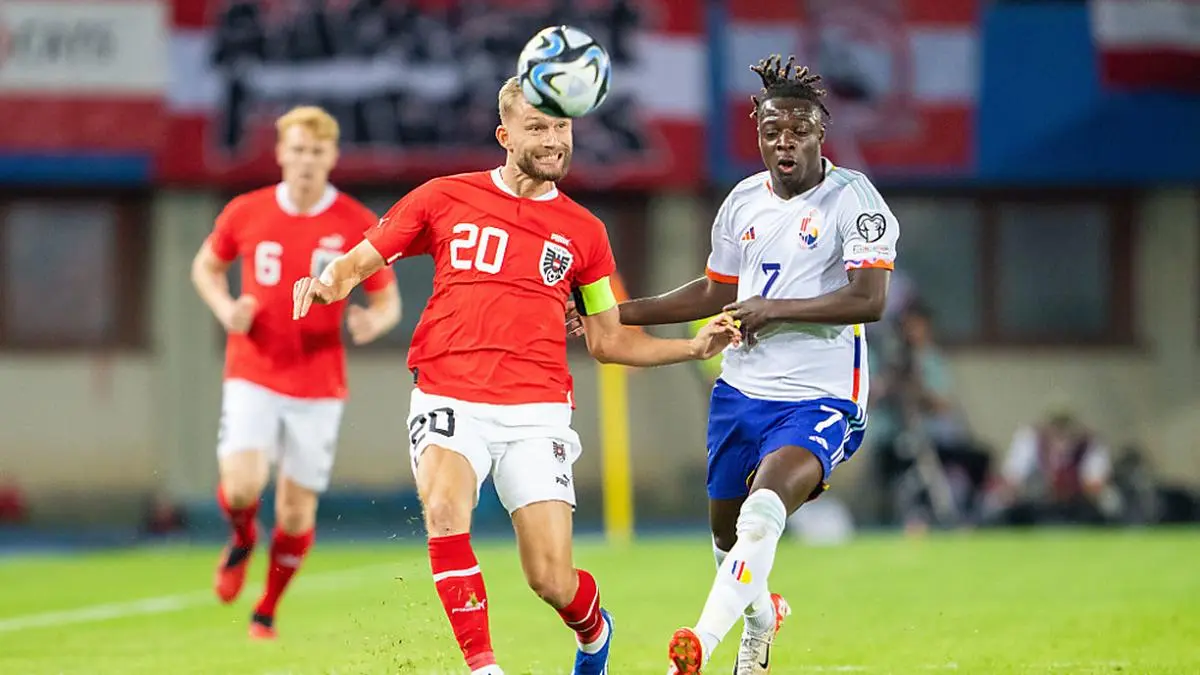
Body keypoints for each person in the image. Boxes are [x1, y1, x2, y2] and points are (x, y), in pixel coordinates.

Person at [291, 77, 739, 675]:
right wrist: (326, 284)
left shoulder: (585, 233)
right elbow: (357, 262)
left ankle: (594, 631)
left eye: (561, 127)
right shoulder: (443, 197)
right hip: (449, 393)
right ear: (505, 135)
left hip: (538, 412)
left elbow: (607, 341)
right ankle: (484, 667)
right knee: (445, 509)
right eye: (538, 128)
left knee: (550, 579)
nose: (554, 140)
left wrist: (691, 348)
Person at [595, 55, 899, 674]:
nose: (784, 142)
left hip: (821, 395)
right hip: (741, 391)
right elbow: (714, 291)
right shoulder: (741, 202)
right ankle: (762, 619)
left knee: (764, 512)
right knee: (727, 540)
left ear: (821, 133)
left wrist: (772, 309)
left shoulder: (854, 200)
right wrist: (618, 314)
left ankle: (699, 646)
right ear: (757, 133)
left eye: (799, 130)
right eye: (771, 130)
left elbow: (869, 300)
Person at [191, 105, 401, 639]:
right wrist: (226, 309)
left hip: (318, 380)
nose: (307, 160)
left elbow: (388, 301)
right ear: (281, 153)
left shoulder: (353, 221)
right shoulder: (246, 211)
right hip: (253, 368)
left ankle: (266, 609)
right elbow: (206, 267)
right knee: (242, 486)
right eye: (298, 149)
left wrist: (373, 322)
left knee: (294, 513)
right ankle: (242, 538)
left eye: (317, 151)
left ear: (332, 156)